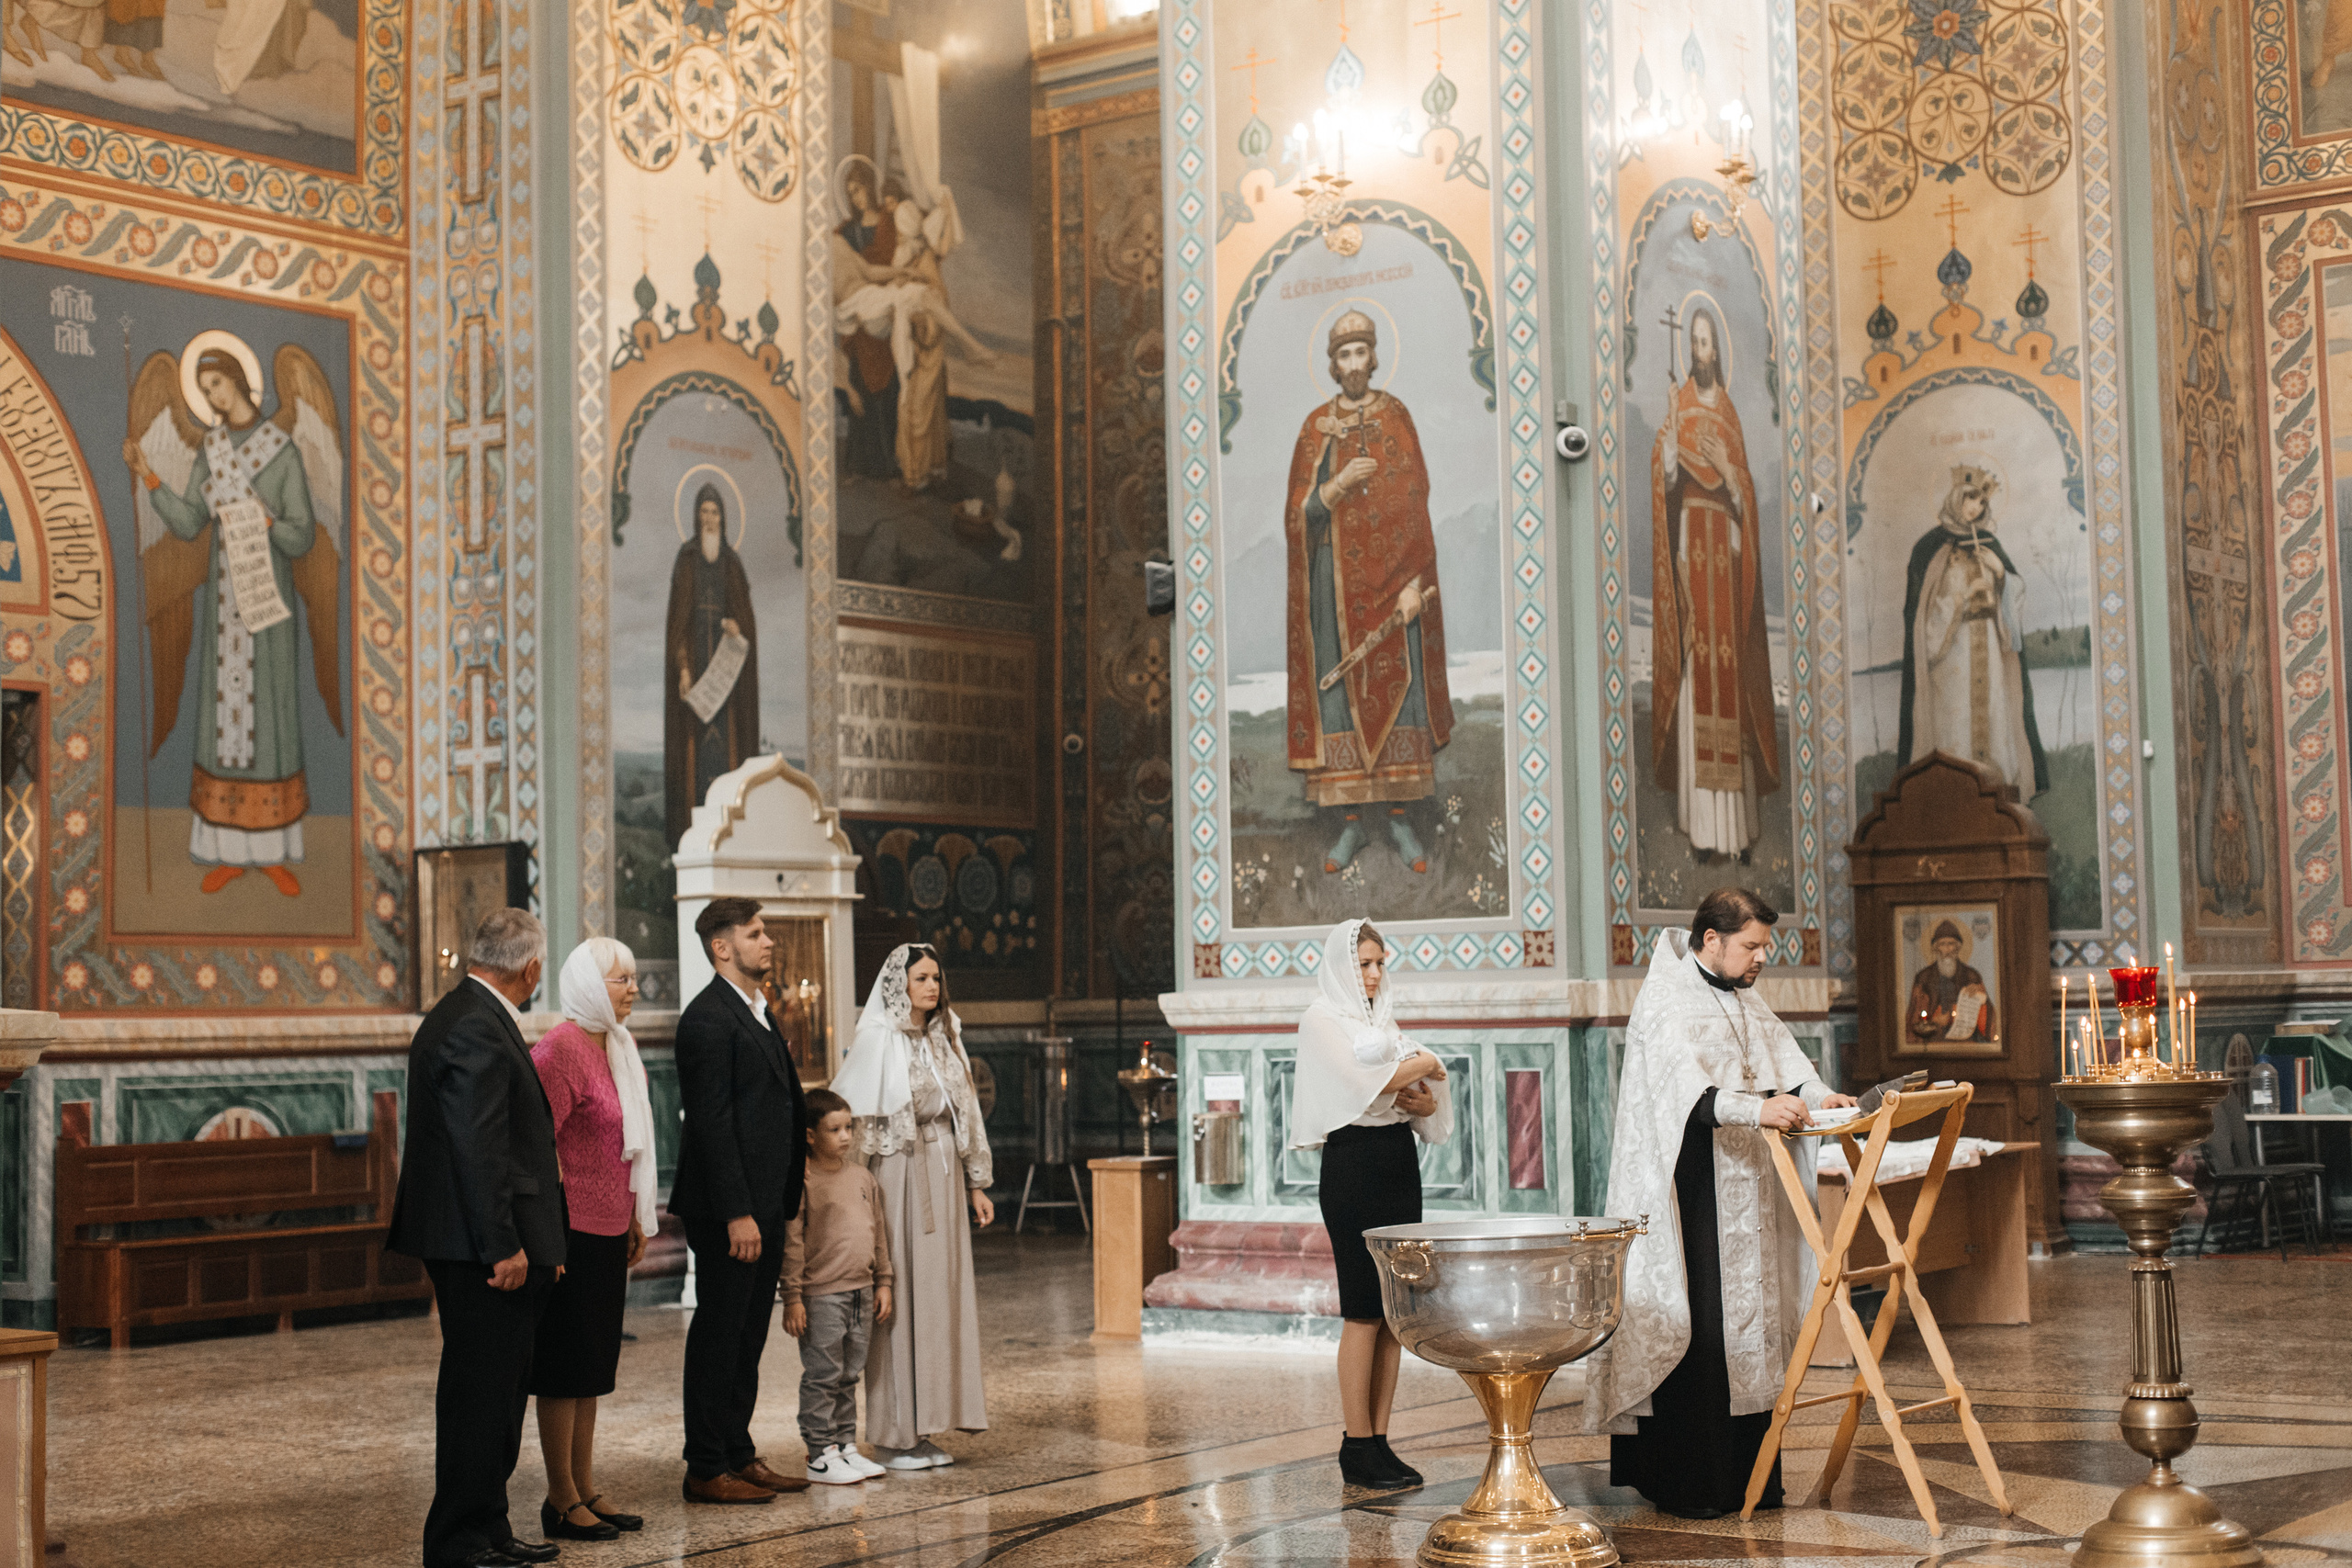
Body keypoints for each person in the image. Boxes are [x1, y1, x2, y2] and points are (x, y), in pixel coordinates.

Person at [1582, 887, 1858, 1519]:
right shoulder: (1664, 999)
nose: (1765, 955)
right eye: (1753, 944)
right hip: (1693, 1193)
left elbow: (1786, 1064)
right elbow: (1689, 1094)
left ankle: (1752, 1478)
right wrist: (1756, 1108)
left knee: (1749, 1329)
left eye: (1766, 944)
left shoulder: (1747, 996)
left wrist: (1822, 1095)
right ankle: (1694, 1483)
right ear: (1712, 939)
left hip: (1750, 1185)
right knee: (1703, 1329)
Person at [385, 908, 567, 1568]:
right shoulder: (474, 1025)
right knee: (480, 1393)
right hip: (480, 1245)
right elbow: (478, 1146)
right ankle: (460, 1538)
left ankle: (489, 1526)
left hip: (477, 1237)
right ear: (531, 967)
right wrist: (503, 1245)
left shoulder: (469, 1013)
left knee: (496, 1390)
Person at [1283, 312, 1453, 875]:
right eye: (1345, 356)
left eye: (1362, 353)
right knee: (1341, 698)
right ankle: (1352, 826)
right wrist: (1335, 486)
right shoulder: (1316, 427)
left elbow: (1414, 502)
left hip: (1393, 585)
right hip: (1335, 589)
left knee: (1398, 691)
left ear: (1373, 358)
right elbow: (1297, 516)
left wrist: (1413, 585)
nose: (1354, 365)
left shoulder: (1395, 416)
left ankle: (1401, 819)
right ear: (1333, 365)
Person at [1286, 918, 1453, 1489]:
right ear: (1341, 966)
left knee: (1394, 1313)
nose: (1376, 974)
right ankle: (1355, 1443)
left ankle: (1380, 1443)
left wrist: (1416, 1083)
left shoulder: (1380, 1019)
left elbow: (1422, 1104)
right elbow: (1370, 1083)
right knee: (1362, 1309)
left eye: (1381, 963)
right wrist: (1418, 1066)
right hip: (1354, 1164)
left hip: (1397, 1162)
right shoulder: (1322, 1018)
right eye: (1364, 964)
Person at [671, 896, 810, 1503]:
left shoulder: (755, 1008)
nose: (768, 941)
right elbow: (712, 1123)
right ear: (721, 946)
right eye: (755, 934)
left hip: (765, 1202)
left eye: (766, 932)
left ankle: (737, 1450)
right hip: (732, 1210)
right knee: (720, 1333)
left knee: (749, 1333)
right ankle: (705, 1464)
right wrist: (737, 1211)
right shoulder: (707, 1017)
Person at [831, 943, 992, 1469]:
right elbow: (858, 1125)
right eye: (921, 978)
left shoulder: (946, 1035)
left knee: (940, 1295)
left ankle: (929, 1424)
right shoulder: (879, 1039)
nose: (932, 987)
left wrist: (976, 1182)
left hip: (944, 1175)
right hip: (900, 1174)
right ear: (899, 984)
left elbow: (965, 1111)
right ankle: (894, 1431)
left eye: (936, 979)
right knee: (898, 1296)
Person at [526, 938, 660, 1541]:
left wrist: (633, 1215)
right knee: (564, 1366)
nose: (632, 988)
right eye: (620, 979)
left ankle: (584, 1486)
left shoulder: (619, 1045)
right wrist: (545, 1237)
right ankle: (560, 1498)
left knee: (594, 1366)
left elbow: (625, 1145)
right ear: (585, 983)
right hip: (570, 1231)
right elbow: (536, 1143)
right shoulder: (560, 1050)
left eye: (633, 978)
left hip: (609, 1227)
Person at [1650, 305, 1778, 860]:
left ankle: (1738, 831)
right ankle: (1705, 831)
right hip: (1690, 539)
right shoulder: (1676, 406)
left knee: (1730, 669)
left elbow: (1743, 489)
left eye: (1707, 343)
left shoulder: (1726, 409)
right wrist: (1672, 454)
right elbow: (1666, 479)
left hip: (1724, 546)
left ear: (1717, 351)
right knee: (1699, 662)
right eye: (1695, 343)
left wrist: (1729, 471)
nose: (1701, 352)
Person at [1897, 465, 2047, 803]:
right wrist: (1959, 599)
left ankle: (1999, 802)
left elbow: (2014, 597)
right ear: (1956, 497)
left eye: (1981, 502)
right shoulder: (1931, 547)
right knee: (1956, 730)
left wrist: (2000, 575)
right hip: (1953, 655)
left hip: (1990, 650)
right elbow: (1921, 618)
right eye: (1970, 499)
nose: (1975, 508)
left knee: (1994, 725)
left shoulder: (1991, 544)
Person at [782, 1088, 895, 1486]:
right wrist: (792, 1297)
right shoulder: (803, 1181)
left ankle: (845, 1444)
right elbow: (792, 1241)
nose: (846, 1136)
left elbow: (877, 1230)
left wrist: (884, 1280)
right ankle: (819, 1452)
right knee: (823, 1374)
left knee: (850, 1372)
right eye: (835, 1129)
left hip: (862, 1290)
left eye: (849, 1127)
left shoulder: (862, 1176)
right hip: (821, 1294)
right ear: (811, 1135)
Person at [664, 484, 761, 848]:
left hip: (728, 684)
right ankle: (691, 839)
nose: (709, 519)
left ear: (723, 518)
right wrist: (684, 668)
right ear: (695, 516)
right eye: (703, 512)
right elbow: (678, 624)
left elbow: (747, 621)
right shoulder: (686, 560)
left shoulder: (732, 564)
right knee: (694, 758)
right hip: (698, 678)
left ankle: (733, 837)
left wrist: (739, 628)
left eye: (715, 513)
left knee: (729, 755)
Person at [1906, 920, 1997, 1043]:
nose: (1948, 949)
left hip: (1967, 1041)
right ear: (1935, 948)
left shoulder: (1971, 976)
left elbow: (1990, 1022)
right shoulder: (1923, 977)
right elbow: (1913, 1021)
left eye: (1951, 944)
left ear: (1958, 947)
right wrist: (1934, 1022)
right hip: (1933, 1041)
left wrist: (1982, 998)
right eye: (1942, 944)